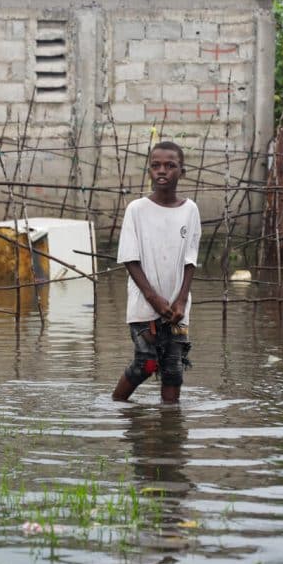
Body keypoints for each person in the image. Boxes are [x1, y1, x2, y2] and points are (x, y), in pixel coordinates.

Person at [112, 140, 201, 404]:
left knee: (173, 371)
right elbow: (130, 258)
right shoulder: (136, 210)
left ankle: (169, 429)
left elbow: (190, 259)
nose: (162, 171)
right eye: (156, 166)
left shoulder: (190, 210)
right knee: (146, 363)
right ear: (149, 171)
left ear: (181, 171)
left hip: (177, 305)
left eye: (170, 166)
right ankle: (116, 406)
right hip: (144, 303)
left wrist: (181, 299)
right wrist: (154, 299)